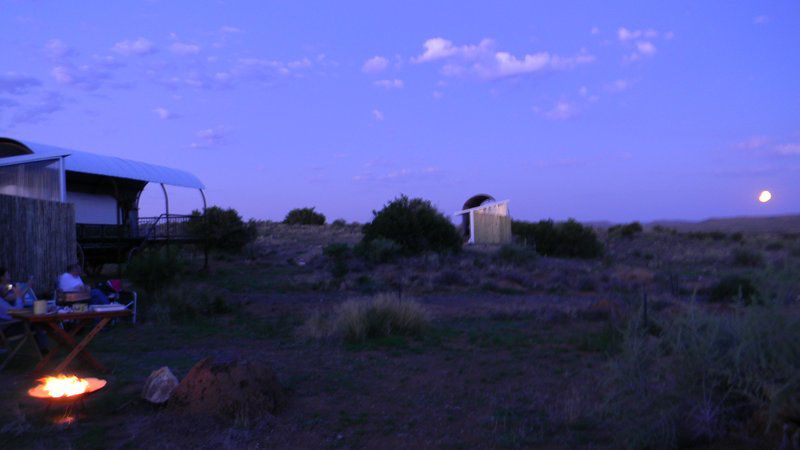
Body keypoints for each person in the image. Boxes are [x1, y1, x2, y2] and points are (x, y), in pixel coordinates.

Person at [1, 267, 48, 353]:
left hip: (12, 319)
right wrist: (22, 291)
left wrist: (25, 286)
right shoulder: (3, 294)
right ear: (2, 277)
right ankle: (44, 349)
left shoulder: (8, 286)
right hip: (9, 326)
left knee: (38, 315)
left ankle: (43, 348)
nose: (9, 275)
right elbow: (15, 308)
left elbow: (12, 293)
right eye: (7, 274)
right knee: (38, 321)